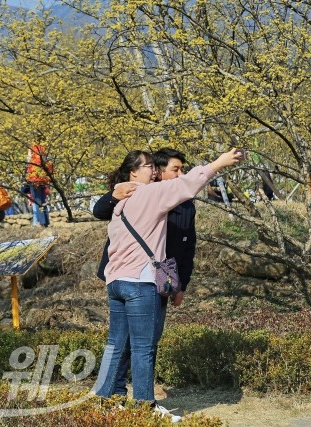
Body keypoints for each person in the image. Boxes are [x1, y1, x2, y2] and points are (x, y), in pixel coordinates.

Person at [94, 148, 242, 421]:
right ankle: (144, 407)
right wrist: (218, 163)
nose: (154, 170)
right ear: (133, 172)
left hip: (116, 283)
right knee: (143, 347)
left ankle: (104, 401)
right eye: (148, 166)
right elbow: (188, 184)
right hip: (140, 282)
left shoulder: (119, 204)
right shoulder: (150, 194)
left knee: (115, 344)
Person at [93, 148, 196, 398]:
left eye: (183, 169)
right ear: (159, 172)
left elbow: (187, 246)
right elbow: (99, 211)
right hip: (134, 276)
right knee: (133, 344)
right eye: (175, 169)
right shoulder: (140, 195)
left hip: (159, 279)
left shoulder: (184, 205)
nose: (180, 174)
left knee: (144, 342)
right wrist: (113, 194)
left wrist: (181, 284)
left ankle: (113, 395)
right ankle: (125, 397)